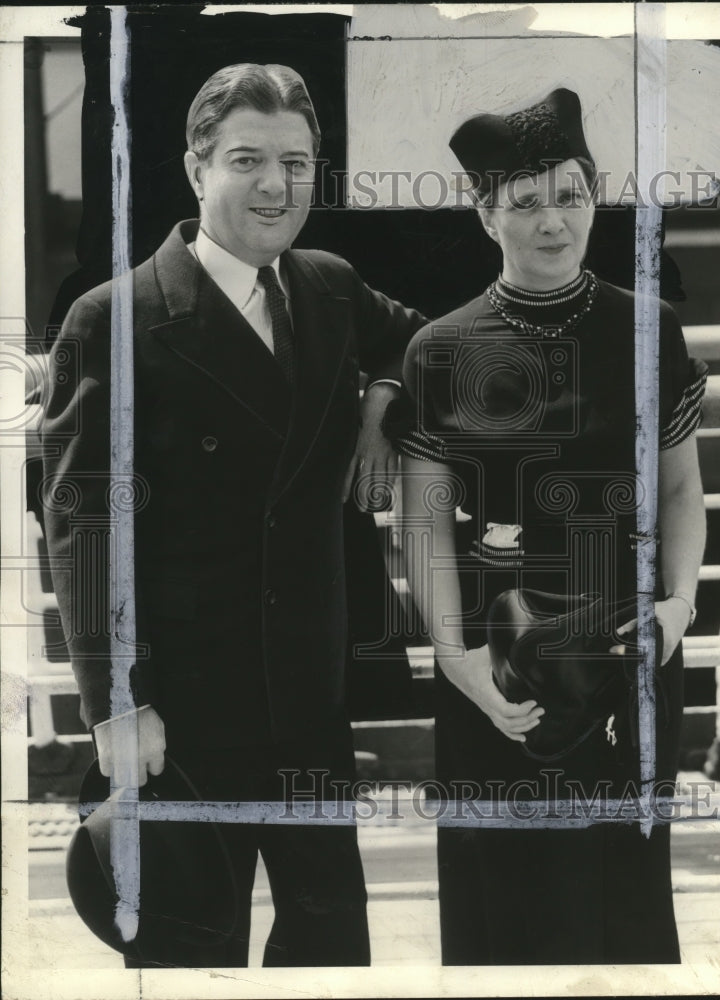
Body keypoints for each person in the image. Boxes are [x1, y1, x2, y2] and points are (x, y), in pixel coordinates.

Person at [41, 62, 425, 968]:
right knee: (184, 950)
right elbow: (83, 525)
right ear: (194, 168)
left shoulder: (329, 288)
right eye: (248, 159)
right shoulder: (117, 318)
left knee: (330, 951)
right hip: (182, 706)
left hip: (309, 699)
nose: (276, 185)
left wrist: (383, 399)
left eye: (297, 163)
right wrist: (118, 703)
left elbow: (426, 342)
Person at [386, 89, 707, 964]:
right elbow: (422, 524)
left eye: (569, 195)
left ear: (595, 197)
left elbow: (682, 494)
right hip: (501, 656)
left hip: (630, 643)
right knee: (506, 903)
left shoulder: (651, 330)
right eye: (525, 203)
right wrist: (461, 668)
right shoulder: (439, 350)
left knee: (624, 898)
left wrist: (677, 609)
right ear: (486, 214)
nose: (552, 221)